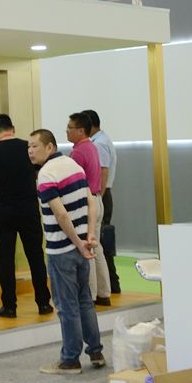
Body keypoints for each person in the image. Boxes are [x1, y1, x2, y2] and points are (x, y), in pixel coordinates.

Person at [27, 128, 105, 374]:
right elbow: (91, 202)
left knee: (67, 305)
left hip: (62, 250)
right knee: (85, 301)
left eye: (35, 146)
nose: (30, 151)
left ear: (50, 147)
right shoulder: (75, 166)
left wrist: (78, 242)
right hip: (81, 246)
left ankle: (70, 359)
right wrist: (88, 236)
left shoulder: (46, 174)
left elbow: (60, 214)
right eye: (28, 147)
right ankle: (96, 352)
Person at [0, 114, 52, 319]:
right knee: (35, 255)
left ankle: (9, 306)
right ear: (13, 128)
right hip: (29, 209)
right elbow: (39, 173)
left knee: (6, 258)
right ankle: (43, 303)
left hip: (4, 212)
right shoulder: (27, 148)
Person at [67, 112, 111, 307]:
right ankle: (104, 292)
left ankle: (90, 295)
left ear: (81, 131)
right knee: (96, 247)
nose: (67, 131)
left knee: (87, 248)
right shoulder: (92, 147)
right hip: (97, 199)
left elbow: (72, 181)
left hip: (85, 204)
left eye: (70, 127)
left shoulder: (78, 153)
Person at [83, 109, 120, 294]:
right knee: (101, 241)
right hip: (101, 194)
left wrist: (98, 196)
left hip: (100, 194)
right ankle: (110, 285)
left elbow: (103, 171)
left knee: (99, 242)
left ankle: (109, 285)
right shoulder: (102, 140)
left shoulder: (99, 144)